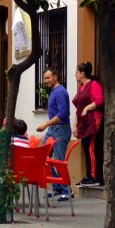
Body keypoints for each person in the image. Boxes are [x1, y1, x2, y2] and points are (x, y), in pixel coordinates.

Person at [37, 68, 72, 201]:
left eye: (48, 78)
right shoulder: (54, 92)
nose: (46, 80)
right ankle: (57, 187)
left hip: (60, 129)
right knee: (43, 158)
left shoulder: (60, 92)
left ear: (55, 77)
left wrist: (46, 124)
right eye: (45, 78)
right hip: (53, 129)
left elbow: (63, 114)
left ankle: (67, 191)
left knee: (59, 161)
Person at [72, 61, 104, 186]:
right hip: (83, 122)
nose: (75, 75)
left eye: (77, 72)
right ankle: (88, 175)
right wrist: (74, 125)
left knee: (90, 145)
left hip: (93, 119)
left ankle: (94, 177)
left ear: (82, 73)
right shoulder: (81, 88)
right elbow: (78, 108)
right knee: (86, 147)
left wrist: (87, 108)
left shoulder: (94, 85)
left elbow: (100, 100)